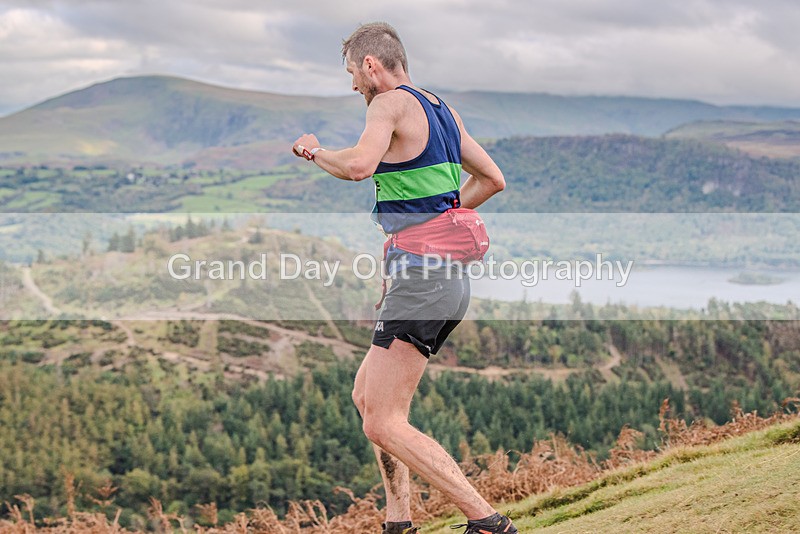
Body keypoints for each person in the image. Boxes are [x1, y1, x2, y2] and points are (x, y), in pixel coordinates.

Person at [291, 22, 513, 534]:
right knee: (366, 396)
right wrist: (435, 228)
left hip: (423, 281)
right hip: (442, 278)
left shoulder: (386, 105)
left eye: (351, 72)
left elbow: (358, 168)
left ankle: (487, 521)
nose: (352, 85)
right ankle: (399, 520)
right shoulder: (442, 110)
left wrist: (313, 151)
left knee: (382, 420)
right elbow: (492, 180)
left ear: (371, 65)